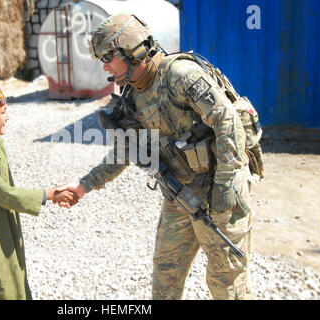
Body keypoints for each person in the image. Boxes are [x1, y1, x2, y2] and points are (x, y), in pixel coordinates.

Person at [59, 13, 263, 299]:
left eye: (108, 57)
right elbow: (125, 150)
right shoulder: (132, 95)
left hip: (220, 190)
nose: (104, 66)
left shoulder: (180, 74)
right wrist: (83, 186)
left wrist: (226, 187)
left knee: (227, 286)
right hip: (180, 195)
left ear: (130, 50)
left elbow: (227, 123)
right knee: (165, 276)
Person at [0, 83, 78, 300]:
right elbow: (6, 194)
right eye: (2, 113)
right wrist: (49, 194)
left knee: (17, 281)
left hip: (7, 226)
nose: (8, 118)